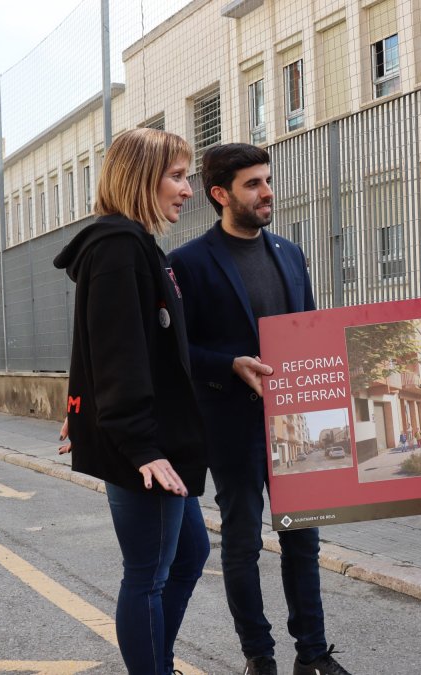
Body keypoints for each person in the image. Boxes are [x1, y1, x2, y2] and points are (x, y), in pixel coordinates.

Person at [168, 143, 352, 675]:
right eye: (252, 184)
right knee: (242, 543)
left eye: (267, 180)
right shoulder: (188, 262)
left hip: (296, 423)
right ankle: (259, 657)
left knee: (303, 540)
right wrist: (230, 364)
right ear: (220, 194)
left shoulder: (291, 254)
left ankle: (312, 655)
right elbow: (181, 351)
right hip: (231, 424)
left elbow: (310, 331)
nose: (267, 191)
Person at [53, 128, 209, 675]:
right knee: (148, 573)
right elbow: (118, 355)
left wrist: (77, 404)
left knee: (190, 554)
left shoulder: (134, 245)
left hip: (161, 440)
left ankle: (155, 661)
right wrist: (140, 444)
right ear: (141, 178)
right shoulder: (119, 248)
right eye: (177, 175)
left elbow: (105, 345)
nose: (188, 189)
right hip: (148, 447)